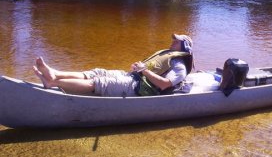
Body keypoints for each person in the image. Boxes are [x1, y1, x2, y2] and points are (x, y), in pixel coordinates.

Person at [33, 34, 194, 97]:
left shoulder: (180, 66)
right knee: (97, 72)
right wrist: (140, 69)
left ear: (184, 47)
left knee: (98, 83)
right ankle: (55, 74)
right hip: (132, 77)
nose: (173, 41)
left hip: (138, 88)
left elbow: (164, 84)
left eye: (177, 41)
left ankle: (52, 83)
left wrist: (144, 71)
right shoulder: (168, 55)